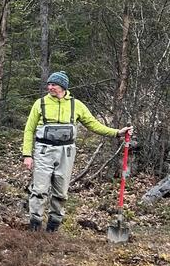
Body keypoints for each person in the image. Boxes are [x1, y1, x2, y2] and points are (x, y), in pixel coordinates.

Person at [22, 71, 131, 232]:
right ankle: (34, 227)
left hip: (66, 153)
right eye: (49, 84)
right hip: (44, 151)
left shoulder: (76, 105)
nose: (50, 87)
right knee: (39, 190)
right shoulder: (40, 104)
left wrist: (116, 132)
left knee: (60, 192)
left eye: (54, 85)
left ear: (63, 87)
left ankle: (52, 229)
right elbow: (29, 130)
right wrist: (27, 155)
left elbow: (93, 124)